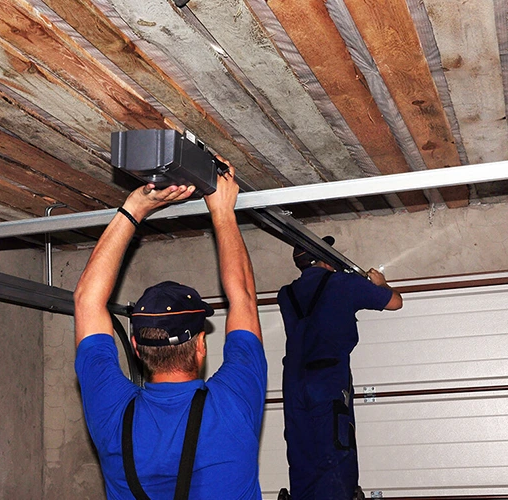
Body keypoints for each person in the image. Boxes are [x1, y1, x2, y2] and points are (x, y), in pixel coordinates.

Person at [73, 163, 267, 499]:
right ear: (201, 345)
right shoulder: (231, 404)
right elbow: (245, 299)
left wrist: (134, 208)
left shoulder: (113, 412)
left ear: (136, 346)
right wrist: (222, 211)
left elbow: (87, 303)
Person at [277, 237, 402, 500]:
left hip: (293, 380)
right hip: (328, 377)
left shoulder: (285, 294)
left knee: (301, 450)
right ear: (324, 260)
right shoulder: (342, 283)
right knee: (335, 448)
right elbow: (394, 302)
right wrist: (381, 284)